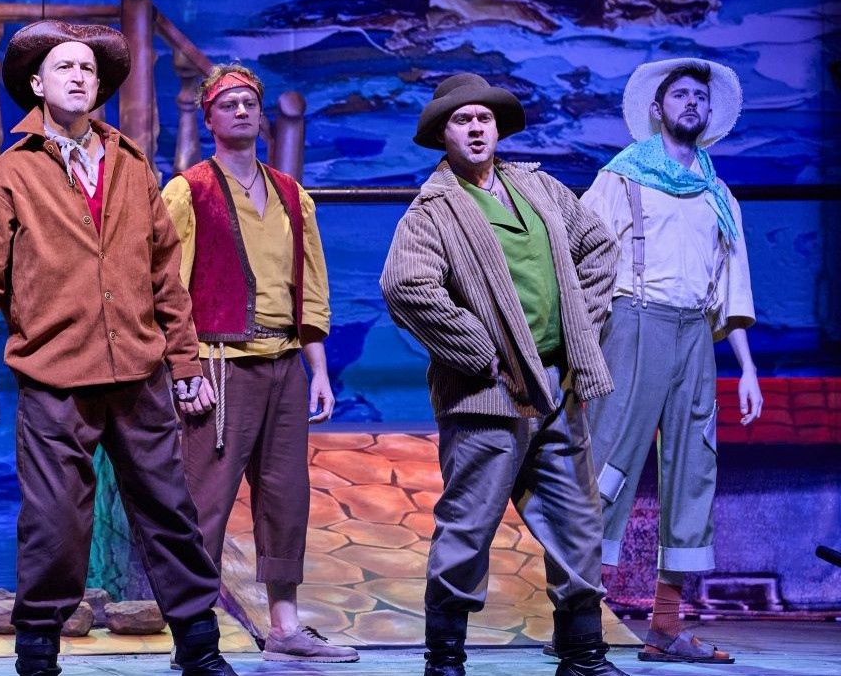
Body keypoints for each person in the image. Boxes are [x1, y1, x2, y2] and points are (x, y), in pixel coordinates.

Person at [0, 21, 236, 676]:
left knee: (169, 511)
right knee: (54, 522)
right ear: (36, 84)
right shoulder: (12, 173)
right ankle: (37, 652)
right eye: (65, 67)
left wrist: (185, 361)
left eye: (88, 68)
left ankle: (199, 644)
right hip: (55, 377)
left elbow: (165, 275)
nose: (80, 76)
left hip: (138, 372)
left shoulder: (131, 164)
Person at [379, 73, 627, 676]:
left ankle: (582, 653)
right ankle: (445, 659)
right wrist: (478, 349)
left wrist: (581, 326)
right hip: (487, 395)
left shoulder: (537, 187)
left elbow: (599, 248)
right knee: (468, 524)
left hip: (557, 387)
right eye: (462, 120)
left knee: (577, 521)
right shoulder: (434, 209)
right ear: (443, 134)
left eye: (483, 119)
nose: (475, 129)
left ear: (497, 129)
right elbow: (405, 285)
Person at [162, 65, 356, 663]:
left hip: (285, 363)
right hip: (219, 365)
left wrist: (318, 369)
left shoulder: (293, 195)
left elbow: (311, 289)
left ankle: (284, 628)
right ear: (209, 118)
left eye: (249, 102)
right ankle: (194, 633)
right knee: (206, 501)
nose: (242, 111)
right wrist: (184, 370)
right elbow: (166, 289)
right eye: (229, 104)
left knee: (285, 498)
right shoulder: (188, 192)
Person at [581, 58, 762, 665]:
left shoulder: (717, 194)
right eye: (680, 95)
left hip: (695, 337)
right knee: (609, 464)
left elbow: (731, 285)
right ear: (657, 110)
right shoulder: (621, 179)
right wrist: (580, 344)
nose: (691, 103)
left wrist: (747, 368)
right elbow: (583, 261)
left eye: (699, 97)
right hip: (634, 323)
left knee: (694, 470)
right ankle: (579, 619)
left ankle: (665, 626)